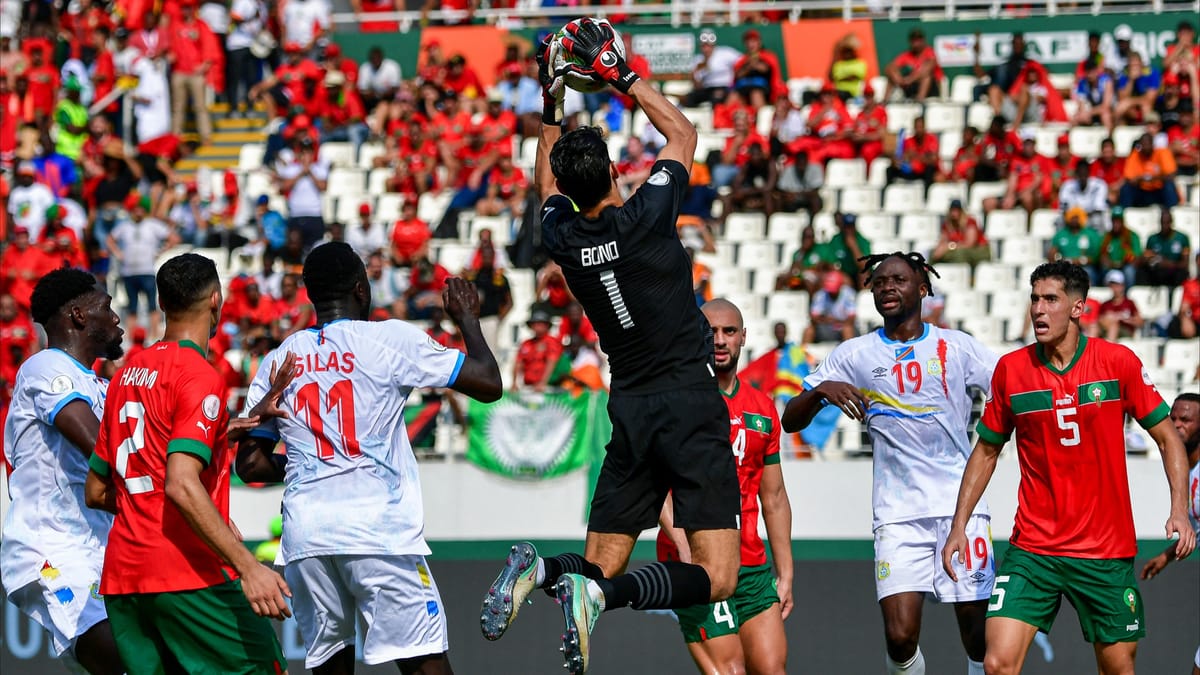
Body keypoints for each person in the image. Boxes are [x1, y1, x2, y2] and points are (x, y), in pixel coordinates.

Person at [481, 22, 740, 675]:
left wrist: (552, 98)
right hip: (688, 400)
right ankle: (600, 596)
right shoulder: (647, 214)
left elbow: (545, 187)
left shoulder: (562, 237)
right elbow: (682, 133)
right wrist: (619, 73)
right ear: (616, 172)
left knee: (599, 557)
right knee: (719, 576)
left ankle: (542, 569)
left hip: (629, 407)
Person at [235, 242, 501, 674]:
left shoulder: (278, 359)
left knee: (330, 666)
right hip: (378, 531)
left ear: (310, 296)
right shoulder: (388, 338)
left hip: (307, 538)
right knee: (425, 664)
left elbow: (249, 466)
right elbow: (489, 382)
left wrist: (313, 464)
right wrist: (468, 319)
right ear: (361, 289)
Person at [942, 260, 1196, 675]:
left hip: (1104, 549)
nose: (1038, 310)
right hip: (1034, 548)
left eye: (1051, 300)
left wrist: (1179, 510)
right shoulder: (1012, 371)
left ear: (1078, 308)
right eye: (1034, 299)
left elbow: (1169, 438)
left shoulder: (1118, 362)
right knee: (996, 663)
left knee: (1117, 669)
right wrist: (959, 524)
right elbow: (986, 451)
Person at [784, 252, 998, 675]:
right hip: (898, 514)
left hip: (962, 509)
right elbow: (791, 418)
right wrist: (821, 389)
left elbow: (1009, 389)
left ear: (922, 289)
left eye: (898, 279)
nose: (887, 287)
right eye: (879, 282)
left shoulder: (955, 346)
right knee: (900, 638)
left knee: (978, 636)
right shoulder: (855, 353)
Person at [84, 253, 294, 674]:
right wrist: (248, 567)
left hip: (125, 579)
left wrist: (228, 430)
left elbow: (97, 490)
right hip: (185, 574)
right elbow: (181, 484)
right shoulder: (199, 375)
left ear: (161, 302)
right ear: (216, 300)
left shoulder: (127, 373)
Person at [0, 269, 126, 675]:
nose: (116, 318)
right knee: (129, 663)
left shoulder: (100, 387)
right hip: (52, 548)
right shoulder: (44, 368)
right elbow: (98, 445)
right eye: (107, 308)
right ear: (78, 315)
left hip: (95, 549)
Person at [657, 298, 792, 675]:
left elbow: (775, 498)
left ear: (743, 337)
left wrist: (786, 573)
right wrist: (684, 547)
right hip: (700, 566)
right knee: (730, 671)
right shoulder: (674, 400)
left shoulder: (762, 408)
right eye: (710, 332)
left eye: (728, 331)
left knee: (772, 670)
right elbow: (653, 486)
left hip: (751, 566)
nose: (719, 340)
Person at [1139, 392, 1200, 674]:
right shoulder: (1185, 471)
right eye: (1173, 418)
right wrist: (1166, 557)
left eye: (1186, 419)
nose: (1176, 425)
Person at [1121, 132, 1180, 208]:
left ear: (1152, 145)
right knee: (1126, 188)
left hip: (1159, 191)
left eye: (1148, 144)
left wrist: (1153, 178)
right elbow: (1130, 179)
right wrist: (1141, 179)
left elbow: (1171, 175)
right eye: (1143, 145)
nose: (1146, 147)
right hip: (1142, 191)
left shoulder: (1162, 152)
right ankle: (1126, 212)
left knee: (1169, 186)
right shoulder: (1135, 155)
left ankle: (1172, 211)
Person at [684, 29, 741, 107]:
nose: (706, 49)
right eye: (703, 46)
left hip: (724, 87)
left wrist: (736, 78)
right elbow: (697, 85)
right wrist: (694, 75)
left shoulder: (725, 52)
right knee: (690, 98)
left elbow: (741, 61)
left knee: (716, 97)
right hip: (706, 89)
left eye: (708, 45)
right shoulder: (698, 60)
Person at [884, 29, 942, 102]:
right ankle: (884, 104)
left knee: (926, 77)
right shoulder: (907, 55)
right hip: (911, 87)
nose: (916, 43)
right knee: (891, 77)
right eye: (914, 40)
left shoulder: (929, 52)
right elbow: (889, 67)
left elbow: (927, 70)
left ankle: (920, 104)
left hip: (931, 89)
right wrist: (897, 77)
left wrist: (910, 79)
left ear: (923, 40)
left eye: (918, 40)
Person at [1139, 209, 1192, 288]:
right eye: (1162, 223)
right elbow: (1145, 260)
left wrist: (1169, 264)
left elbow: (1185, 264)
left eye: (1167, 223)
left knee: (1181, 273)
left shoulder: (1182, 238)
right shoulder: (1152, 239)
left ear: (1171, 222)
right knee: (1142, 272)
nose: (1165, 226)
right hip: (1158, 272)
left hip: (1174, 272)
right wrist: (1153, 259)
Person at [802, 270, 857, 344]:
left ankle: (848, 353)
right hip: (825, 327)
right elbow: (813, 317)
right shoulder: (820, 295)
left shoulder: (849, 294)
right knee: (809, 330)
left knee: (847, 329)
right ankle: (803, 354)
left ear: (840, 286)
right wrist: (828, 321)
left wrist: (835, 321)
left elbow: (851, 319)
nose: (831, 293)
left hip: (842, 328)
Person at [931, 199, 990, 267]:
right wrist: (939, 249)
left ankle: (959, 275)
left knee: (960, 253)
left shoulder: (970, 222)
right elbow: (943, 241)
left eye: (957, 210)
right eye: (952, 210)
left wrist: (949, 247)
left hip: (979, 250)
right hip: (957, 249)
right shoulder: (947, 224)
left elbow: (970, 244)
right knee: (934, 252)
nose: (954, 213)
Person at [1096, 269, 1143, 340]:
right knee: (1095, 327)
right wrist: (1109, 318)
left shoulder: (1129, 303)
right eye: (1112, 285)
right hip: (1107, 329)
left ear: (1123, 286)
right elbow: (1099, 320)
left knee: (1113, 326)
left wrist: (1124, 319)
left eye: (1117, 285)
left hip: (1125, 331)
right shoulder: (1105, 304)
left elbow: (1140, 322)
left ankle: (1109, 350)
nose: (1115, 288)